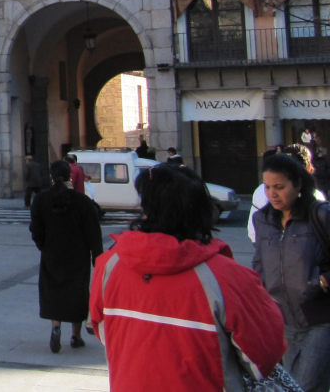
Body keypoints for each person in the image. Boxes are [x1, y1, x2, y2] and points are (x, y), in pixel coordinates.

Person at [92, 164, 286, 391]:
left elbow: (105, 333)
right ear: (199, 212)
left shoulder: (108, 265)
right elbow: (263, 358)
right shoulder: (229, 278)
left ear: (146, 210)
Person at [254, 154, 330, 392]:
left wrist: (322, 280)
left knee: (306, 386)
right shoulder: (262, 220)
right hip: (282, 322)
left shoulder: (321, 214)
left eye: (279, 187)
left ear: (297, 184)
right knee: (287, 387)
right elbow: (259, 264)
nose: (272, 194)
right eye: (267, 187)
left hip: (320, 319)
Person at [30, 160, 103, 353]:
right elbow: (93, 234)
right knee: (77, 292)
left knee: (53, 290)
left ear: (51, 177)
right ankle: (75, 336)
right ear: (70, 176)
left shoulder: (41, 200)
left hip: (52, 253)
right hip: (78, 255)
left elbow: (36, 229)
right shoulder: (83, 202)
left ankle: (55, 328)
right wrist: (98, 258)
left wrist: (43, 246)